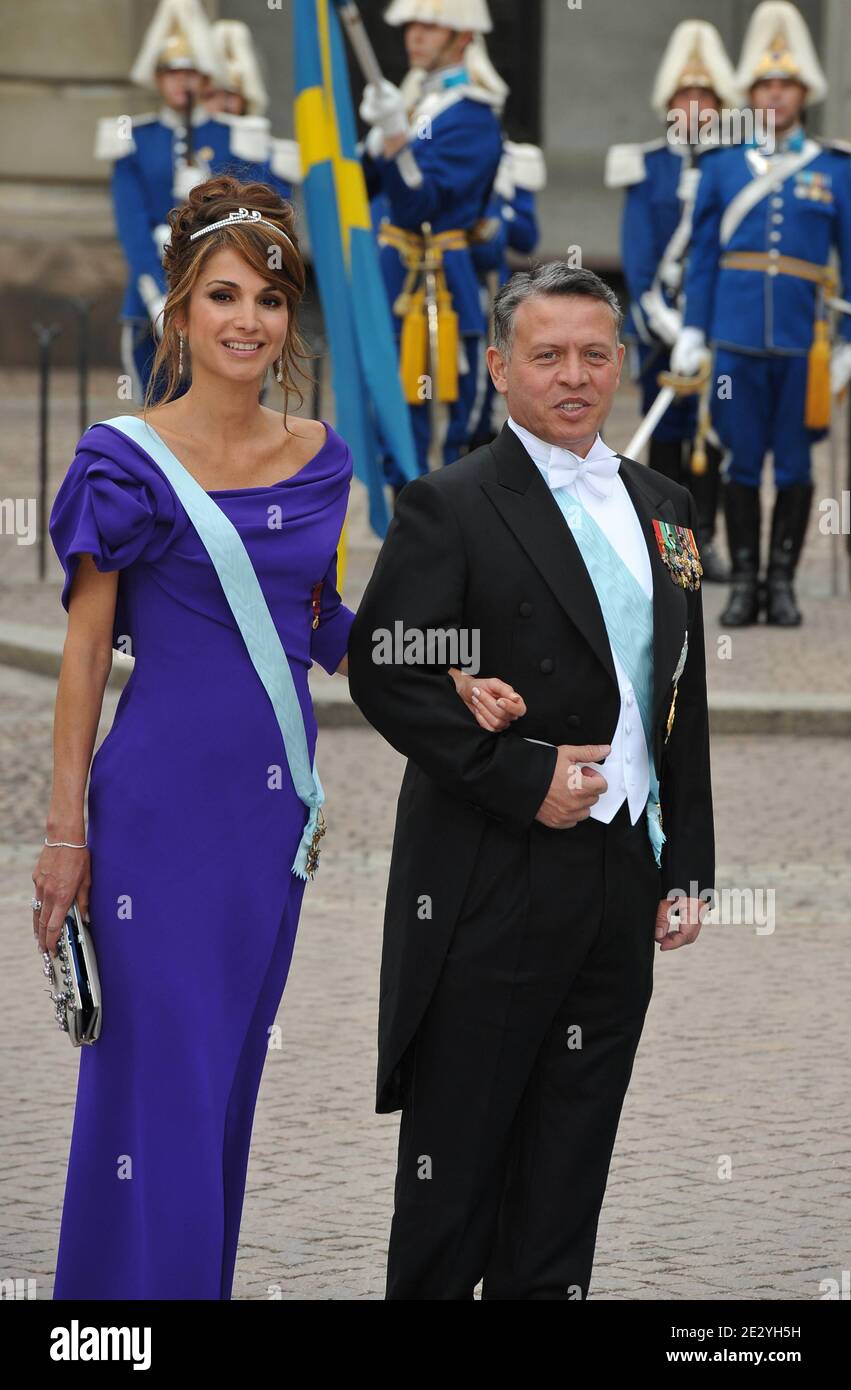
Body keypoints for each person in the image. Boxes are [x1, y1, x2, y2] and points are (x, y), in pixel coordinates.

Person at [37, 173, 510, 1300]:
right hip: (152, 820)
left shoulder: (321, 458)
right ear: (181, 314)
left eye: (269, 297)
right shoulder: (121, 459)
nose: (249, 319)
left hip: (266, 827)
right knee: (161, 1085)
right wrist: (64, 838)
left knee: (222, 1085)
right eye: (222, 296)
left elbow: (324, 625)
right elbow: (85, 657)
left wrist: (443, 666)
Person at [347, 263, 715, 1300]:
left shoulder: (665, 505)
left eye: (594, 354)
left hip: (615, 875)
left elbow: (677, 696)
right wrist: (517, 771)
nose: (573, 376)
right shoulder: (451, 502)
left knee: (566, 1169)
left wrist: (685, 861)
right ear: (499, 367)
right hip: (491, 880)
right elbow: (388, 662)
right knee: (453, 1175)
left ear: (620, 365)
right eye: (546, 355)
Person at [672, 1, 851, 625]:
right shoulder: (722, 165)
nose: (776, 95)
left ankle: (783, 584)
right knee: (741, 458)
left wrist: (849, 342)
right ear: (750, 93)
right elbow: (701, 255)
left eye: (787, 84)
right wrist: (695, 327)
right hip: (737, 339)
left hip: (806, 343)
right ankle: (745, 582)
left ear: (805, 92)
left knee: (796, 465)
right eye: (766, 85)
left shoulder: (835, 168)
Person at [95, 0, 293, 403]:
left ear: (205, 76)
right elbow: (131, 226)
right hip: (153, 294)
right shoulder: (136, 139)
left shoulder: (236, 135)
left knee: (237, 409)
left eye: (191, 72)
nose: (182, 83)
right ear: (158, 77)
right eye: (173, 72)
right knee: (158, 413)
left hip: (224, 288)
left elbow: (258, 218)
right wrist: (156, 298)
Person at [605, 19, 738, 583]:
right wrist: (659, 318)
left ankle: (707, 541)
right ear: (669, 103)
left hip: (716, 325)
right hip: (662, 325)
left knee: (716, 435)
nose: (694, 104)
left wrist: (706, 325)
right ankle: (672, 547)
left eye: (705, 95)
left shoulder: (735, 166)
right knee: (668, 436)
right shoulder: (649, 164)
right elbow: (638, 250)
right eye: (685, 94)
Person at [359, 0, 505, 488]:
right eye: (412, 25)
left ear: (461, 38)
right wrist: (371, 141)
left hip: (439, 284)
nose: (415, 35)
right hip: (390, 278)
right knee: (390, 415)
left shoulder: (474, 117)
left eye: (431, 26)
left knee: (439, 427)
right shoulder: (414, 101)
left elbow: (417, 206)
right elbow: (361, 189)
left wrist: (397, 141)